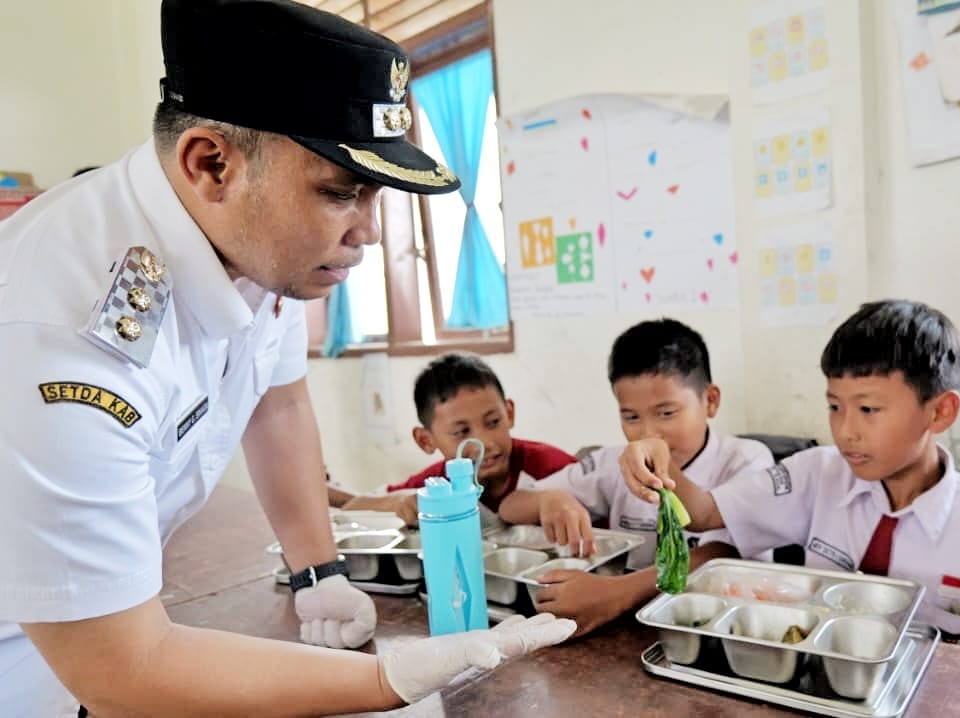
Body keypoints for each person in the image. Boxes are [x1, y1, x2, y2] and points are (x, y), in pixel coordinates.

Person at [0, 1, 572, 714]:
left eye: (375, 197)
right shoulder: (58, 338)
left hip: (100, 621)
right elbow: (124, 668)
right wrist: (384, 682)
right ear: (212, 164)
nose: (368, 232)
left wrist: (317, 571)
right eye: (340, 193)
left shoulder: (257, 243)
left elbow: (279, 402)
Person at [620, 300, 960, 655]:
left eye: (868, 409)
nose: (845, 431)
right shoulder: (817, 474)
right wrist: (656, 457)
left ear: (940, 412)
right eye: (834, 406)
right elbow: (702, 512)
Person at [498, 319, 774, 635]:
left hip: (722, 630)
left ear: (710, 400)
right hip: (635, 630)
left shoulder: (746, 459)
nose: (648, 433)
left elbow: (722, 554)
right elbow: (510, 506)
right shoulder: (611, 463)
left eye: (666, 413)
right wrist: (549, 499)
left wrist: (617, 592)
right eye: (631, 417)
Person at [328, 353, 577, 527]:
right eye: (461, 432)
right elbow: (355, 506)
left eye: (493, 422)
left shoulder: (552, 468)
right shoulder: (437, 483)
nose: (485, 443)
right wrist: (401, 502)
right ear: (426, 440)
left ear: (509, 413)